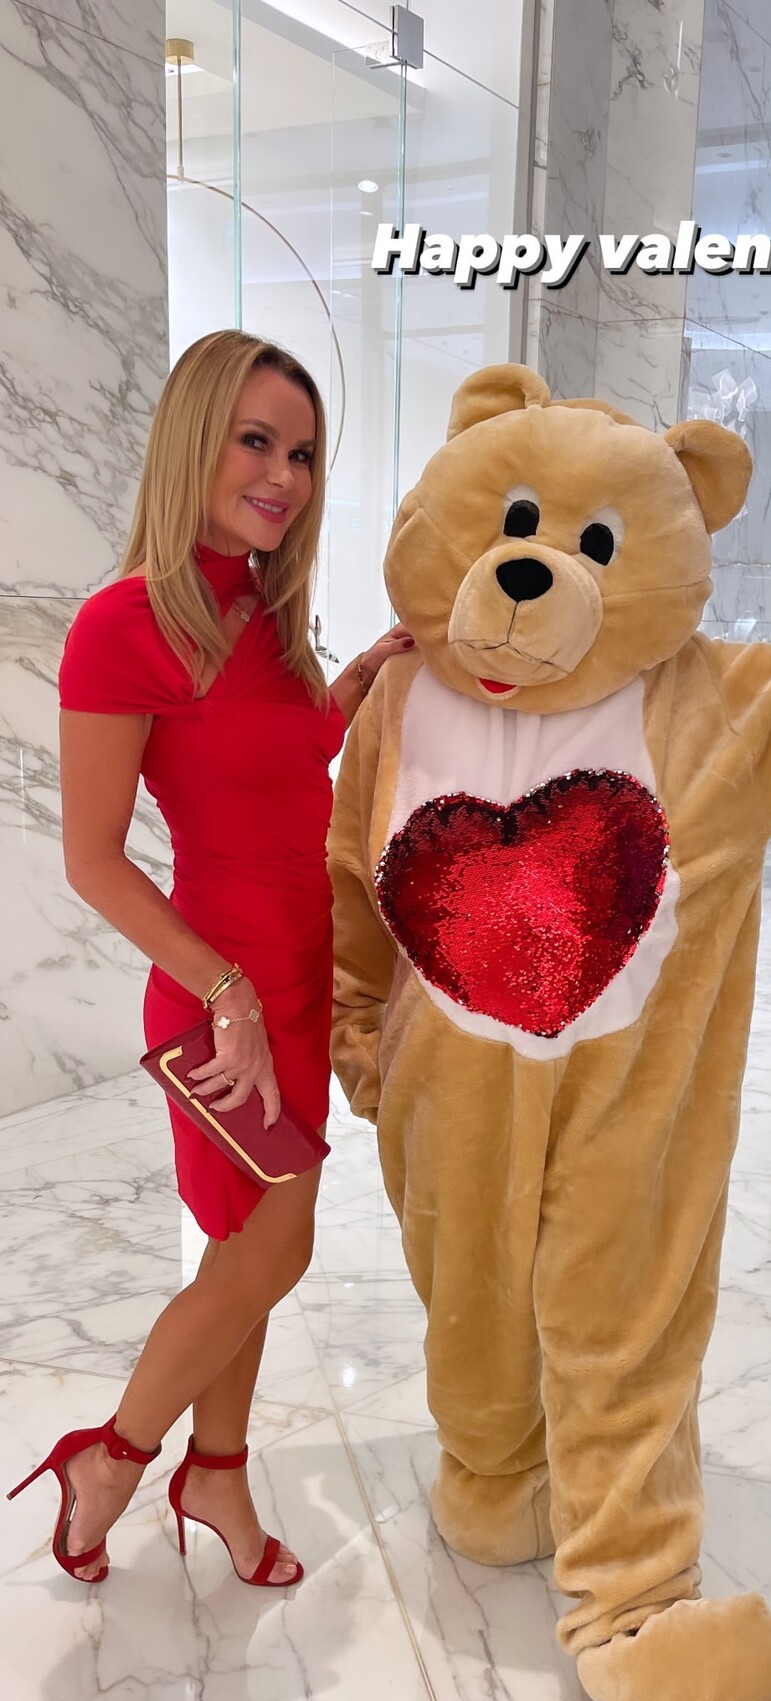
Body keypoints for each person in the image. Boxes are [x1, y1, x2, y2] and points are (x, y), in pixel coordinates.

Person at [7, 330, 412, 1587]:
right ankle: (114, 1458)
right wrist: (224, 990)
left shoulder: (265, 613)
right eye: (256, 442)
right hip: (213, 995)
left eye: (303, 453)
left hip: (294, 980)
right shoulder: (123, 625)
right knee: (276, 1248)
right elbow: (92, 859)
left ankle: (220, 1475)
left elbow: (275, 765)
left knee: (247, 1258)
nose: (284, 475)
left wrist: (348, 687)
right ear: (195, 440)